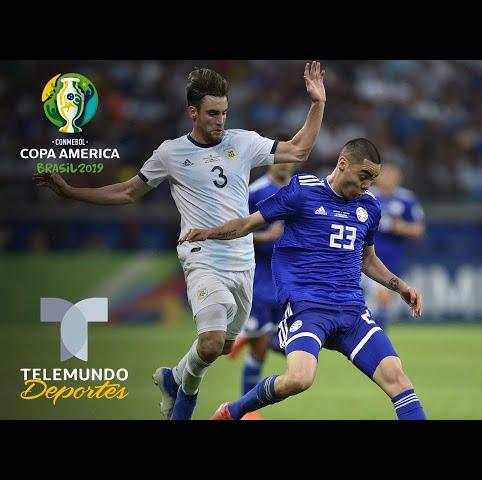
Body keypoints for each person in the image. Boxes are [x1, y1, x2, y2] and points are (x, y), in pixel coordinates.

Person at [32, 61, 326, 420]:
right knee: (213, 341)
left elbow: (298, 151)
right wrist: (72, 193)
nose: (220, 120)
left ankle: (175, 379)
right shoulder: (170, 153)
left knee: (223, 346)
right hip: (201, 256)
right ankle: (185, 401)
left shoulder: (243, 142)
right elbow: (127, 192)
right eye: (213, 113)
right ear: (193, 112)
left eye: (224, 113)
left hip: (242, 260)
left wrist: (317, 104)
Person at [180, 138, 427, 420]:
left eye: (372, 179)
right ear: (343, 164)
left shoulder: (369, 207)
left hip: (352, 311)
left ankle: (249, 359)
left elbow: (366, 259)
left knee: (399, 380)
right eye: (364, 176)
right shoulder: (302, 192)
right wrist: (209, 232)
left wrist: (401, 287)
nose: (368, 185)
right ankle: (232, 412)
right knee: (299, 378)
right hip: (307, 308)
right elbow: (249, 222)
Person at [229, 161, 297, 420]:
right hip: (261, 277)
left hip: (289, 276)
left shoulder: (298, 190)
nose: (284, 166)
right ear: (271, 162)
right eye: (280, 160)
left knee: (276, 343)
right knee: (265, 347)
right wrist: (265, 237)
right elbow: (234, 230)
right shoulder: (255, 191)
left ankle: (247, 335)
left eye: (289, 161)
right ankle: (247, 412)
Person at [366, 163, 425, 330]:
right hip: (367, 259)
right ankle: (374, 339)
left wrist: (399, 227)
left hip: (393, 260)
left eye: (393, 175)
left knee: (381, 307)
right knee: (381, 297)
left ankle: (374, 337)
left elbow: (418, 229)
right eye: (386, 175)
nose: (389, 179)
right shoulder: (367, 196)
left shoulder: (406, 199)